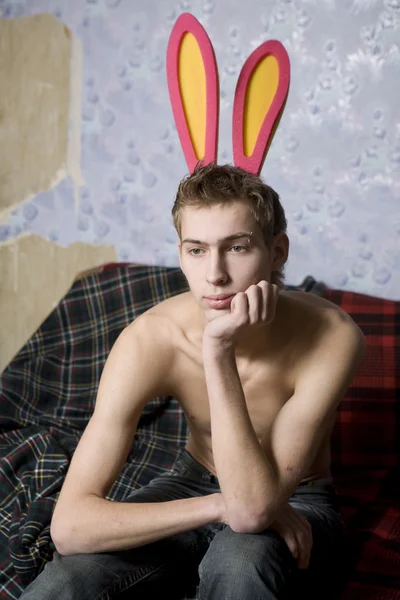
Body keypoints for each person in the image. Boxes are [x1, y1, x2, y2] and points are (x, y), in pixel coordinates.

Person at [19, 163, 366, 600]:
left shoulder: (332, 334)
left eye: (236, 248)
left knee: (240, 561)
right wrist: (216, 507)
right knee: (69, 578)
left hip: (296, 498)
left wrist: (217, 351)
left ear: (277, 252)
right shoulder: (151, 337)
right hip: (193, 482)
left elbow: (255, 509)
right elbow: (69, 529)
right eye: (196, 250)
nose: (215, 274)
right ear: (181, 253)